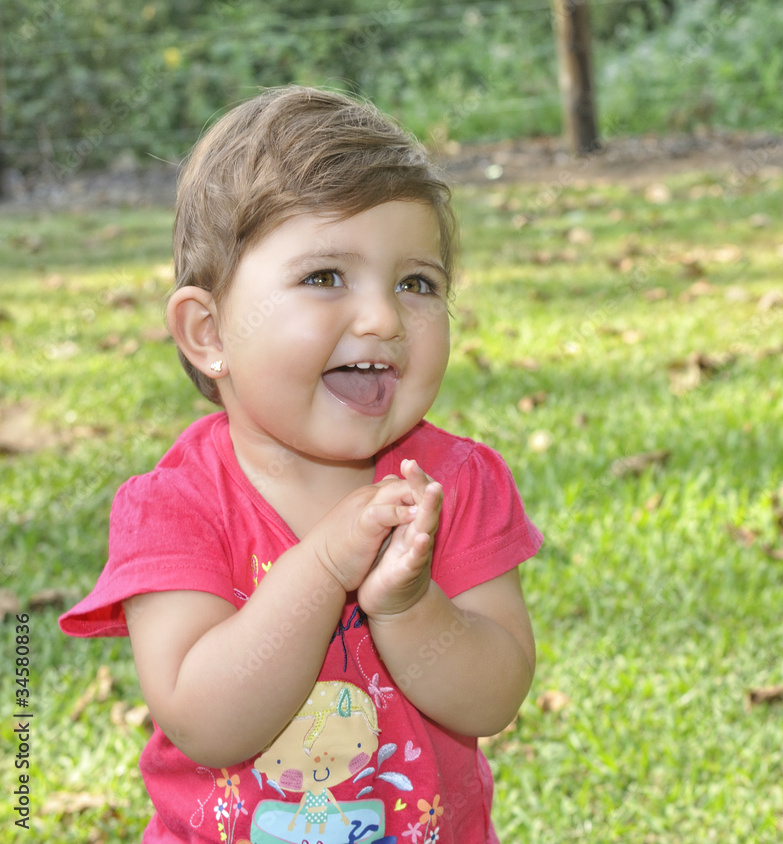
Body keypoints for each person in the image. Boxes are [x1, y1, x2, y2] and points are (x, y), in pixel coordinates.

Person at [60, 85, 542, 844]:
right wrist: (321, 567)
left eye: (416, 283)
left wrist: (407, 606)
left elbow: (494, 699)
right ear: (209, 331)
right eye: (325, 278)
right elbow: (206, 723)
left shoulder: (455, 484)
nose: (383, 318)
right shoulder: (175, 507)